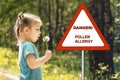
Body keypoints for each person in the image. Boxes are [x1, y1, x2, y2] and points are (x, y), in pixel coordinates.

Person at [14, 12, 52, 80]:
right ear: (26, 30)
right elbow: (32, 64)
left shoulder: (23, 45)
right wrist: (46, 57)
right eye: (37, 29)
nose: (39, 32)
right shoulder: (28, 46)